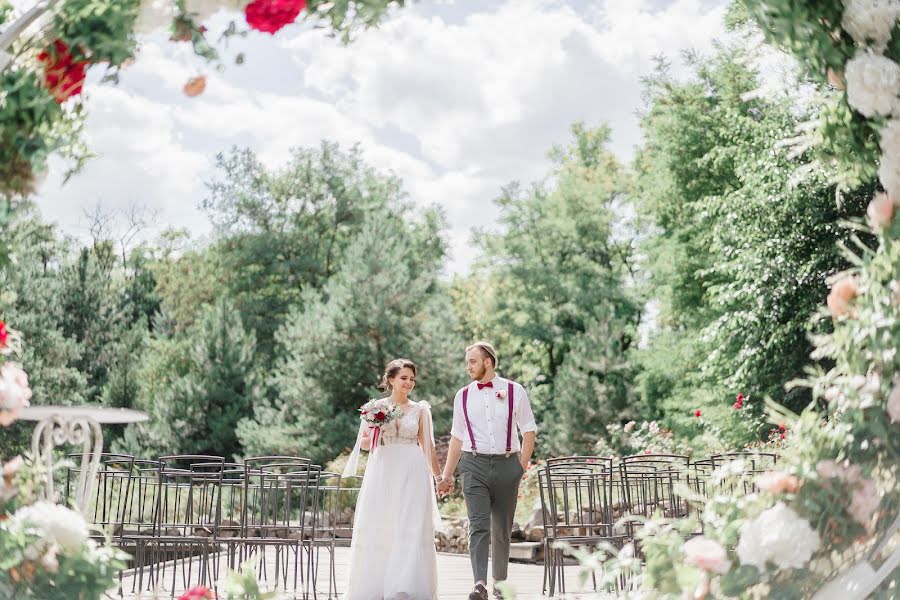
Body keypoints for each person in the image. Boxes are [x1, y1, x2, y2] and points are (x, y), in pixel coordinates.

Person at [436, 342, 537, 600]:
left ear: (488, 362)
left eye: (472, 361)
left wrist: (520, 467)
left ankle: (500, 584)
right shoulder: (463, 395)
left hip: (507, 465)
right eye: (468, 361)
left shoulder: (515, 391)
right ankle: (479, 584)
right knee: (478, 525)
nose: (468, 366)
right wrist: (446, 476)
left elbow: (529, 430)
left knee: (502, 529)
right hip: (473, 465)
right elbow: (457, 437)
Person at [342, 358, 442, 600]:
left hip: (413, 469)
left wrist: (438, 477)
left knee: (410, 525)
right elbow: (364, 444)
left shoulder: (420, 410)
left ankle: (405, 585)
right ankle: (375, 585)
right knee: (383, 523)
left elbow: (426, 444)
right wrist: (378, 427)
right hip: (384, 469)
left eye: (411, 379)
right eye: (403, 378)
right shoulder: (374, 407)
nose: (408, 383)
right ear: (391, 380)